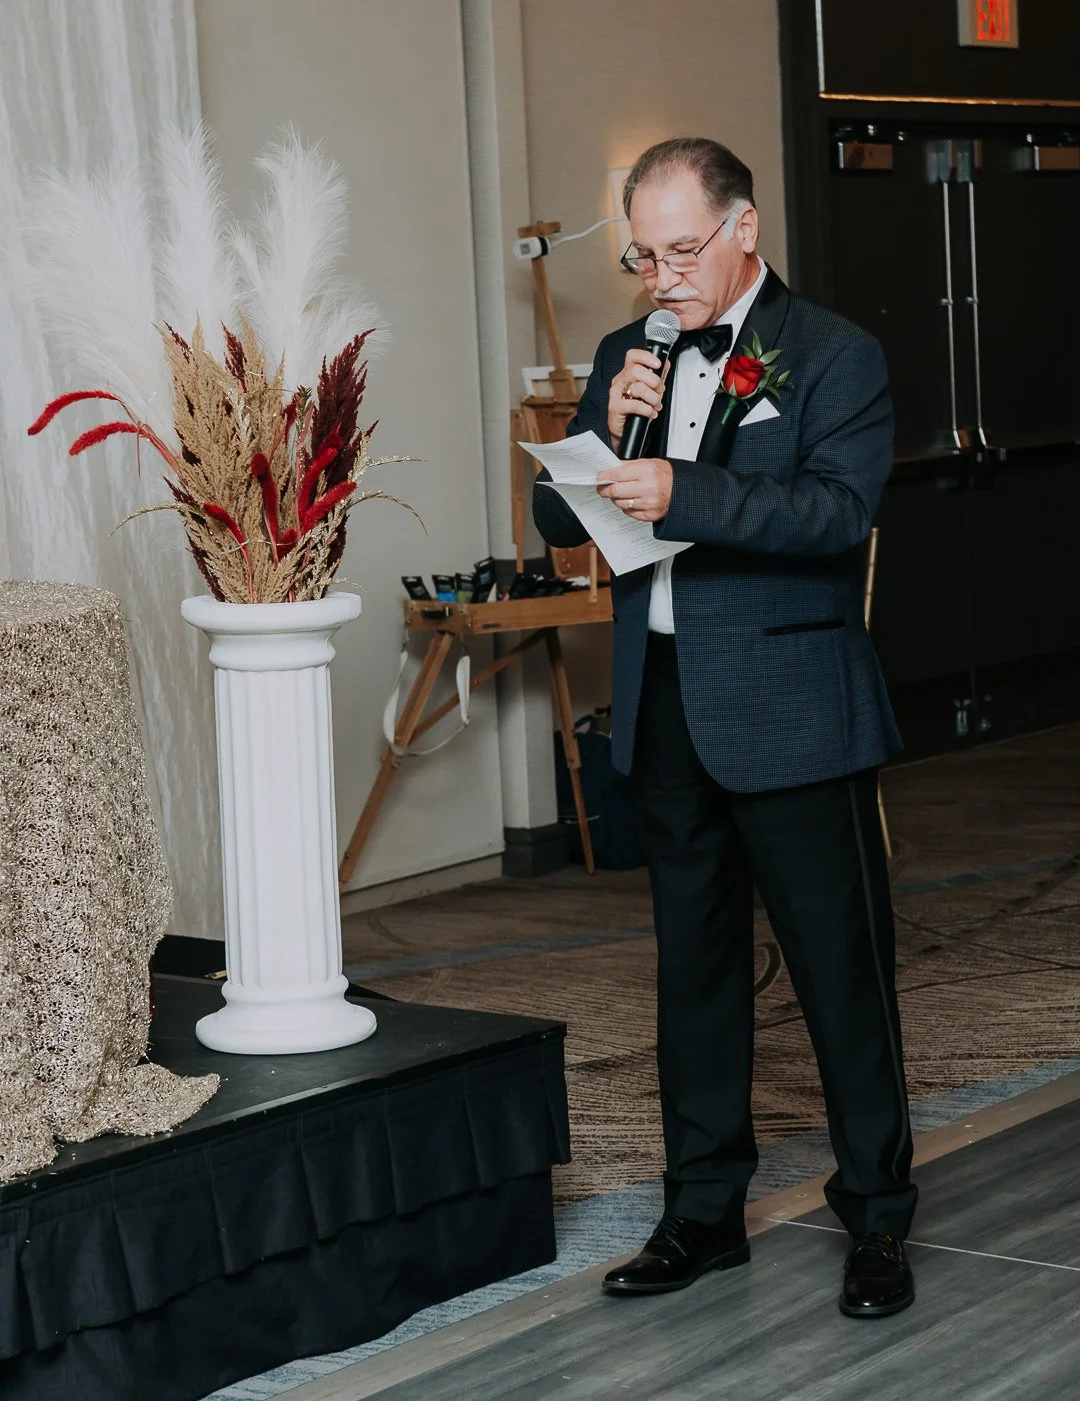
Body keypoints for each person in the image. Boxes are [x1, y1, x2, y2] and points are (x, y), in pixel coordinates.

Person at [532, 137, 916, 1319]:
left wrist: (682, 493)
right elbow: (558, 514)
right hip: (665, 708)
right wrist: (607, 425)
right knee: (693, 978)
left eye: (682, 250)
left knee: (839, 977)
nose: (660, 277)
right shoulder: (625, 354)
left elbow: (837, 512)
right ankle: (702, 1216)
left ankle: (878, 1223)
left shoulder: (834, 355)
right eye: (643, 256)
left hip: (793, 709)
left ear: (744, 227)